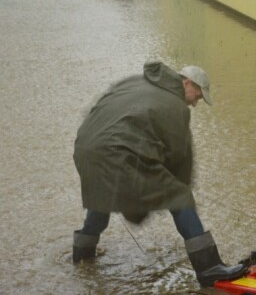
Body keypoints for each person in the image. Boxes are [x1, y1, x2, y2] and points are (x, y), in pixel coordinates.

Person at [72, 61, 246, 287]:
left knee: (102, 196)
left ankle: (82, 258)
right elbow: (178, 158)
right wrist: (179, 191)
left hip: (86, 148)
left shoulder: (135, 82)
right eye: (198, 95)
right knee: (180, 196)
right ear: (186, 83)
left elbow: (95, 107)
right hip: (116, 152)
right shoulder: (176, 106)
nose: (195, 103)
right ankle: (209, 267)